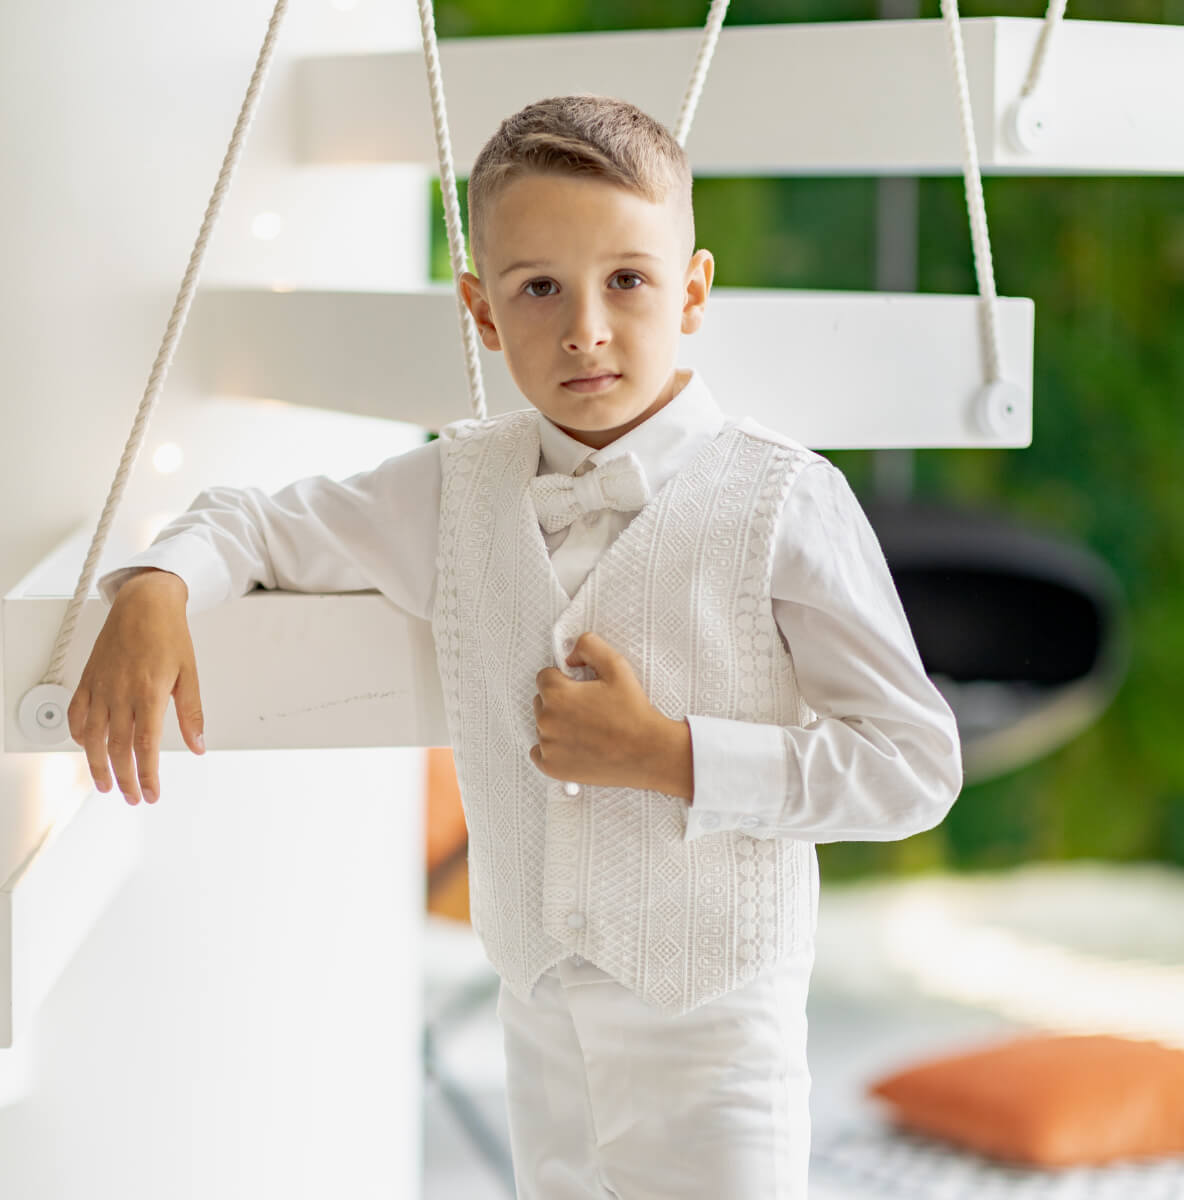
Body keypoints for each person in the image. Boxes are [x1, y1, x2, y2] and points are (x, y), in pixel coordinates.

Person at [73, 95, 962, 1199]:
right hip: (539, 1033)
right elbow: (254, 521)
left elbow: (916, 766)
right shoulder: (453, 486)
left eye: (626, 280)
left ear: (691, 292)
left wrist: (670, 755)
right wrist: (158, 582)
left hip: (714, 1041)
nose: (584, 327)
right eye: (539, 287)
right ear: (482, 314)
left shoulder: (785, 500)